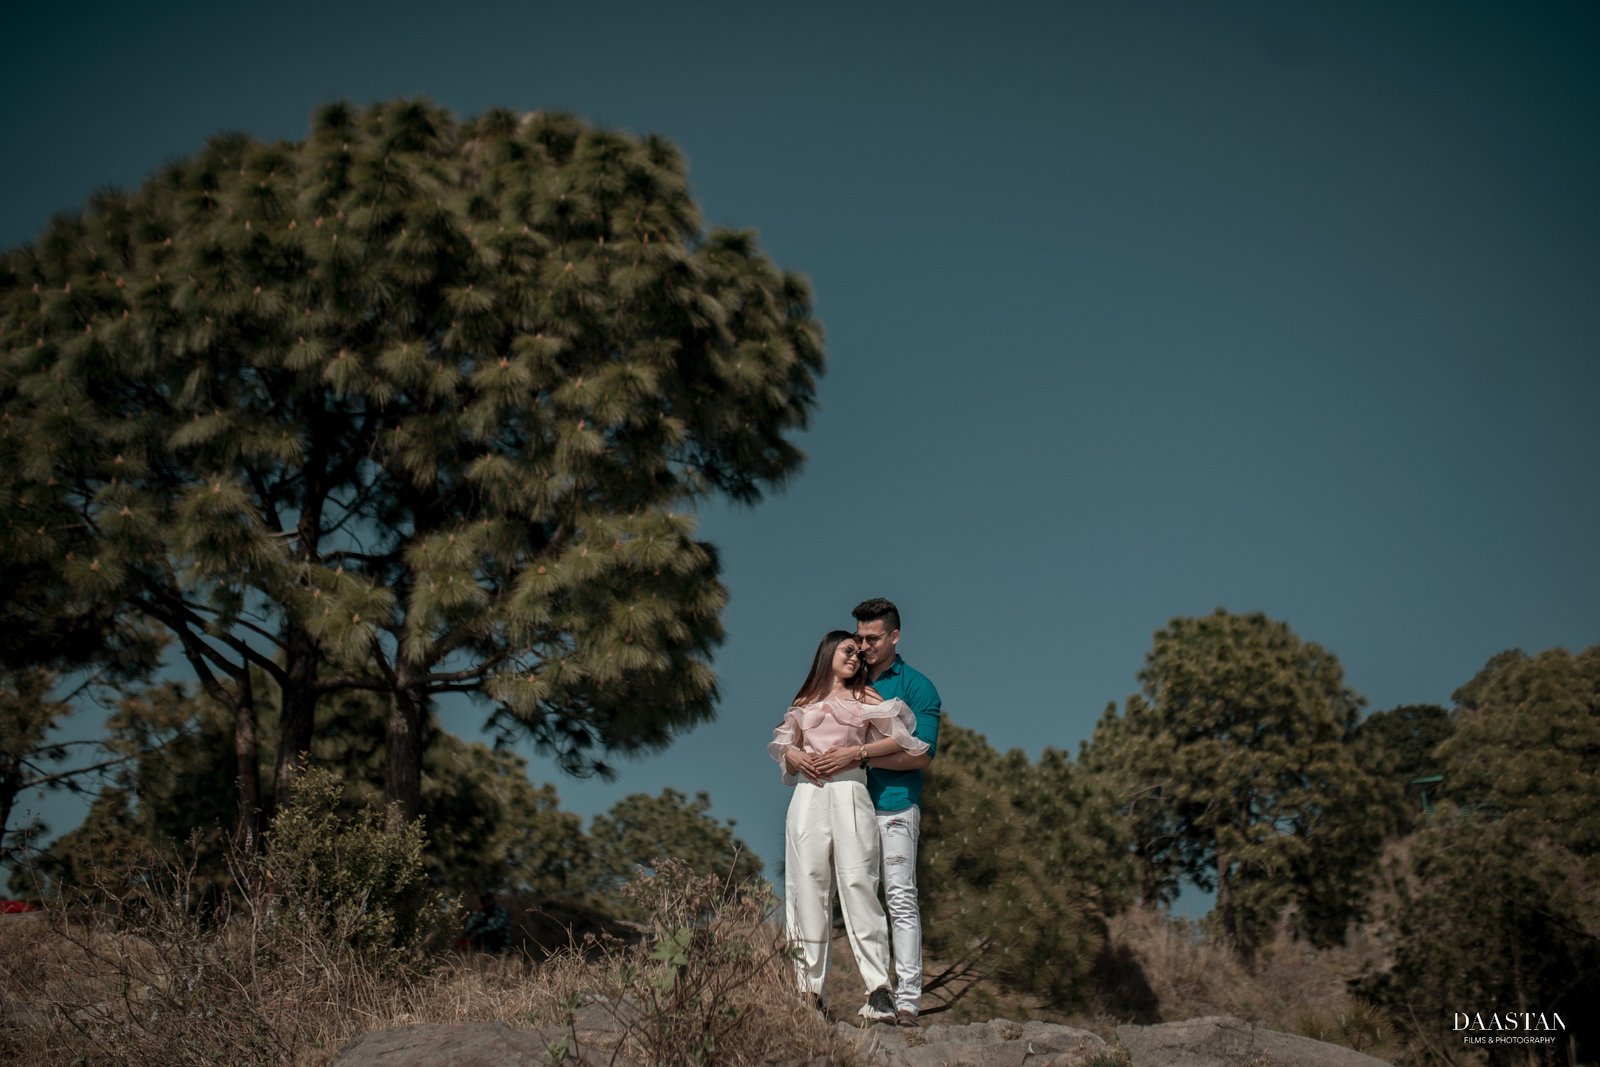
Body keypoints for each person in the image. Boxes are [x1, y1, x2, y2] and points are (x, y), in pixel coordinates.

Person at [769, 629, 928, 1023]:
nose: (855, 658)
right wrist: (795, 756)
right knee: (807, 886)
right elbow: (782, 749)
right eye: (848, 651)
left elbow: (904, 741)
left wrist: (854, 752)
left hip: (850, 791)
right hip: (807, 797)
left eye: (859, 654)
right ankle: (808, 993)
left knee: (859, 883)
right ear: (827, 652)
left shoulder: (867, 698)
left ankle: (878, 990)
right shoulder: (804, 701)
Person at [845, 598, 941, 1027]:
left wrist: (864, 759)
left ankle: (908, 1000)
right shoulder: (847, 678)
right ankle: (875, 991)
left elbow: (921, 756)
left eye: (873, 638)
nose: (864, 646)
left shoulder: (919, 687)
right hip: (851, 804)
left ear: (894, 637)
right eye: (859, 638)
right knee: (858, 895)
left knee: (900, 895)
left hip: (897, 804)